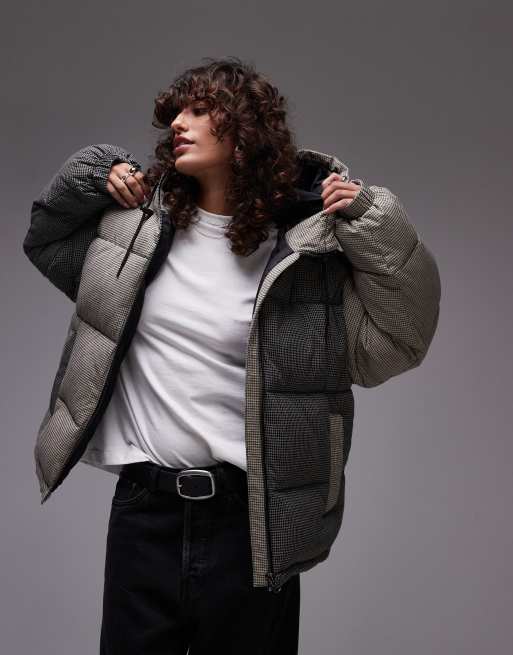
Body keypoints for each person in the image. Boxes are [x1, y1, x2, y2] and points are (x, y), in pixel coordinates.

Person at [22, 56, 441, 654]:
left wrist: (375, 223)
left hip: (254, 525)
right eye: (175, 113)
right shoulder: (134, 232)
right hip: (144, 513)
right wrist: (90, 176)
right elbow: (46, 239)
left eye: (199, 110)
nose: (178, 124)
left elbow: (402, 337)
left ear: (245, 130)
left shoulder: (302, 258)